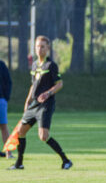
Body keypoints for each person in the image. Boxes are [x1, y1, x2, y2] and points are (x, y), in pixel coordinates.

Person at [8, 35, 72, 170]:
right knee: (21, 131)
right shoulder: (35, 65)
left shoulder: (51, 65)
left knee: (43, 136)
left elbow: (59, 84)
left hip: (46, 105)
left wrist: (48, 93)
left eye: (43, 46)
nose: (39, 49)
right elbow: (34, 85)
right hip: (34, 105)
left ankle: (66, 160)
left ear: (48, 48)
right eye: (37, 46)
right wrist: (28, 101)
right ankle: (19, 163)